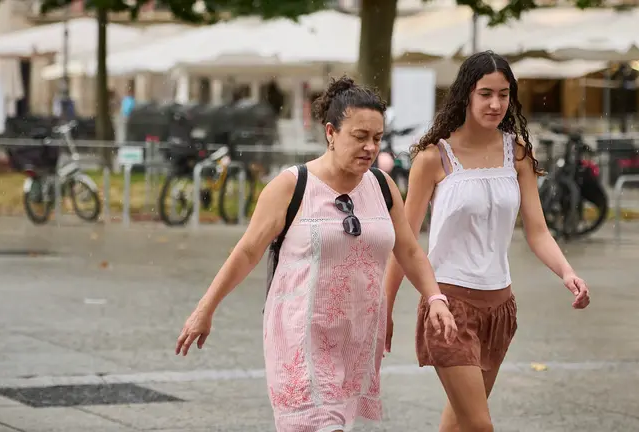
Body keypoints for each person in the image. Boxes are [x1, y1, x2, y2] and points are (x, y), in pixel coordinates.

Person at [175, 76, 458, 432]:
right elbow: (247, 251)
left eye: (376, 138)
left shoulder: (383, 187)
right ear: (331, 132)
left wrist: (434, 297)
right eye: (359, 137)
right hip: (301, 335)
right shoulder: (293, 186)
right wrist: (206, 308)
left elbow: (409, 251)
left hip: (355, 337)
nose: (370, 147)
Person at [382, 51, 591, 432]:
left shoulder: (519, 155)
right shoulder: (434, 158)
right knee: (480, 425)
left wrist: (566, 272)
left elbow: (538, 230)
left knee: (460, 423)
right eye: (485, 94)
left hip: (500, 309)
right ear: (466, 95)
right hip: (449, 307)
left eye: (504, 94)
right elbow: (406, 242)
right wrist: (386, 306)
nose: (496, 104)